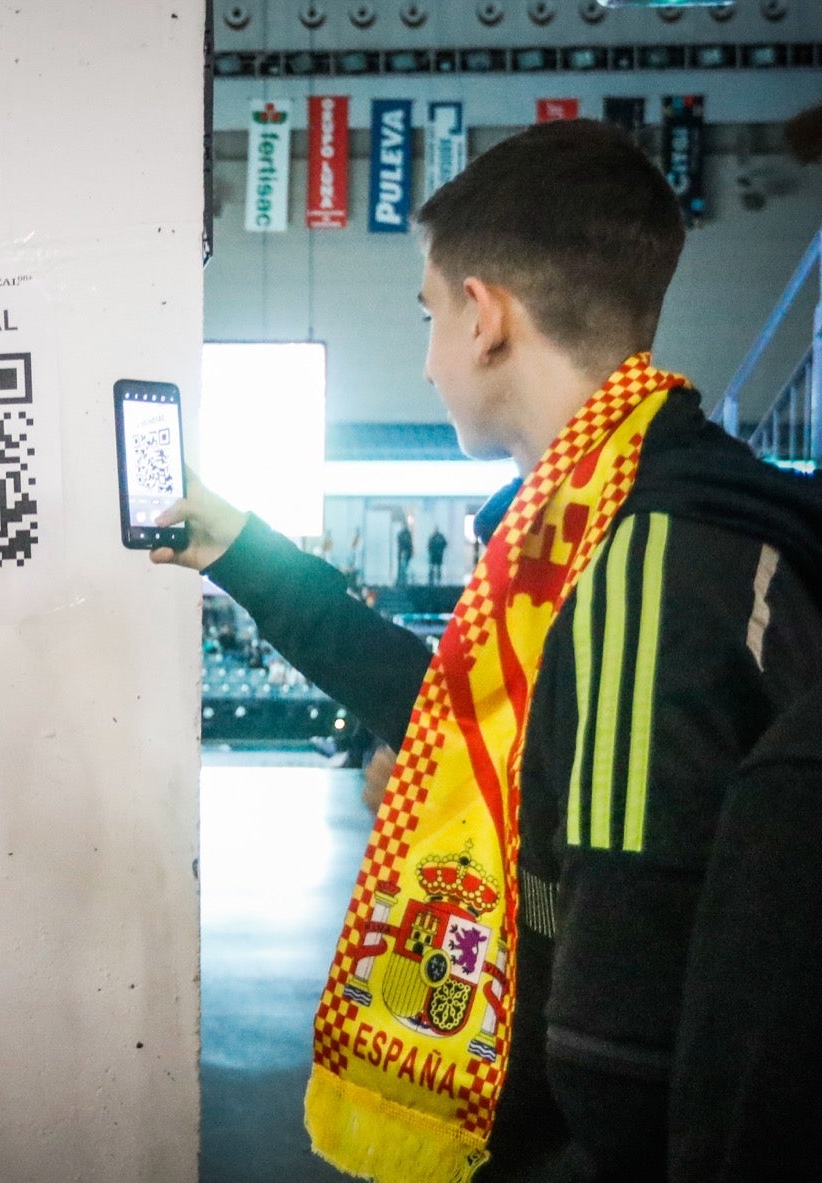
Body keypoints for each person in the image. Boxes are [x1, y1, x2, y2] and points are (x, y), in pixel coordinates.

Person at [154, 119, 822, 1181]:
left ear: (484, 317)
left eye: (426, 317)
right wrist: (232, 546)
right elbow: (457, 715)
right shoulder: (604, 515)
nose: (423, 363)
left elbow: (621, 1035)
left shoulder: (640, 558)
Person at [394, 521, 413, 585]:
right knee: (402, 567)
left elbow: (409, 543)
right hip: (403, 552)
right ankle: (401, 578)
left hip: (405, 552)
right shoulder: (404, 534)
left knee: (404, 567)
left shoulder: (406, 534)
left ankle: (403, 578)